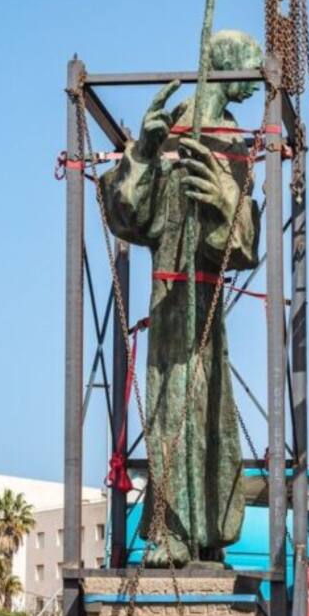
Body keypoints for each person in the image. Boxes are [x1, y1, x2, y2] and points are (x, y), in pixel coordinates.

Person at [99, 29, 262, 567]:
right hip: (170, 295)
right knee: (171, 405)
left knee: (211, 413)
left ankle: (209, 529)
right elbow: (131, 217)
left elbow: (241, 245)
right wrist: (145, 151)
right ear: (224, 66)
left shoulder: (232, 141)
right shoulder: (173, 131)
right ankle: (168, 529)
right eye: (250, 66)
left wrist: (224, 199)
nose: (256, 79)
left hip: (205, 303)